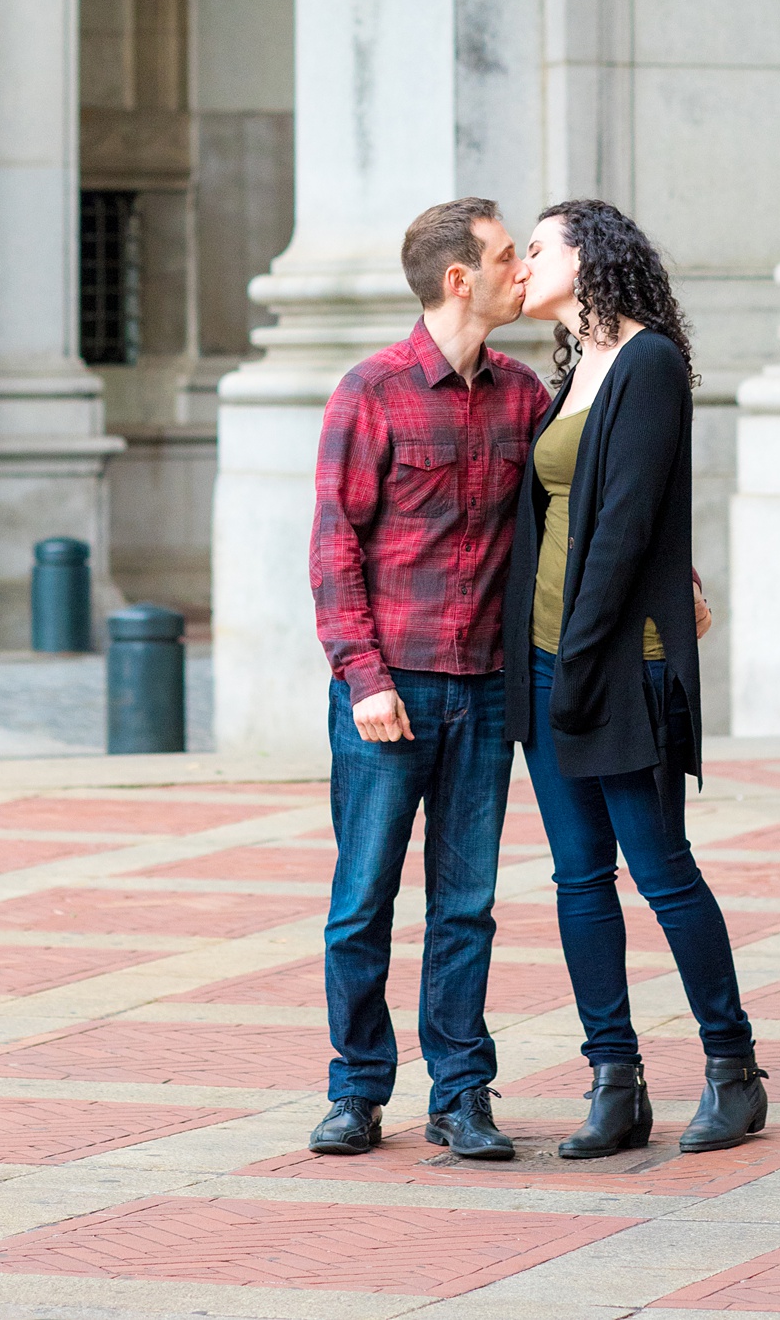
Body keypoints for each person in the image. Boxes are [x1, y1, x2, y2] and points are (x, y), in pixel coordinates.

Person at [502, 199, 767, 1158]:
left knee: (661, 873)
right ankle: (616, 1083)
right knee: (579, 880)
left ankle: (734, 1071)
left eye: (539, 247)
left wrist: (580, 656)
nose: (524, 265)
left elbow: (621, 530)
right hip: (543, 660)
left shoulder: (648, 362)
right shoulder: (572, 372)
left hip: (618, 665)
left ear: (590, 254)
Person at [307, 197, 546, 1160]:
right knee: (363, 900)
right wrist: (363, 678)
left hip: (485, 689)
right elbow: (333, 548)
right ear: (460, 280)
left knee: (466, 906)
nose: (520, 272)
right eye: (503, 257)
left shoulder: (526, 395)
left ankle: (461, 1094)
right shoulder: (369, 392)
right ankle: (358, 1090)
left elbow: (587, 500)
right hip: (389, 689)